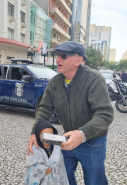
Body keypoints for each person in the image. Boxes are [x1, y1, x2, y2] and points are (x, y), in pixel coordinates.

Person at [27, 41, 114, 185]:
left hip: (93, 141)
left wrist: (81, 134)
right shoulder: (54, 82)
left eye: (63, 55)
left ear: (78, 60)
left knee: (94, 181)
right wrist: (34, 132)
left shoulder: (95, 79)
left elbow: (105, 114)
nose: (58, 59)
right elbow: (44, 110)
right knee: (62, 176)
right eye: (56, 55)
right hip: (66, 139)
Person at [24, 120, 69, 185]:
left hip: (55, 179)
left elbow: (61, 166)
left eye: (50, 136)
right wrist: (44, 170)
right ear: (38, 136)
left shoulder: (57, 148)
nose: (47, 140)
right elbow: (32, 168)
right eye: (44, 136)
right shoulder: (34, 150)